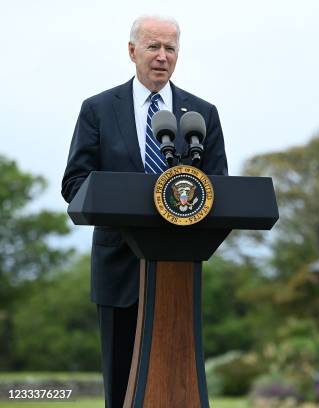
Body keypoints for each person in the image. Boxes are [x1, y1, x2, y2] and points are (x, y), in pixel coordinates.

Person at [61, 15, 228, 408]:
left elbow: (218, 188)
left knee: (180, 385)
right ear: (132, 51)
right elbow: (74, 184)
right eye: (153, 47)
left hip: (180, 271)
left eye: (170, 48)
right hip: (119, 266)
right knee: (121, 388)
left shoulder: (200, 114)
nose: (162, 57)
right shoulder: (99, 109)